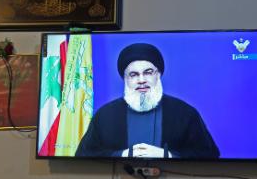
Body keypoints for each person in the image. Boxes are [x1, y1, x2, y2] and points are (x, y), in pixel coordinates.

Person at [75, 43, 220, 158]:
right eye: (133, 75)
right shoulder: (106, 115)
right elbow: (83, 154)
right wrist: (122, 155)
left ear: (159, 74)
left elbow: (209, 154)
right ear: (125, 79)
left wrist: (167, 156)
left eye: (148, 72)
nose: (142, 80)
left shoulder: (184, 113)